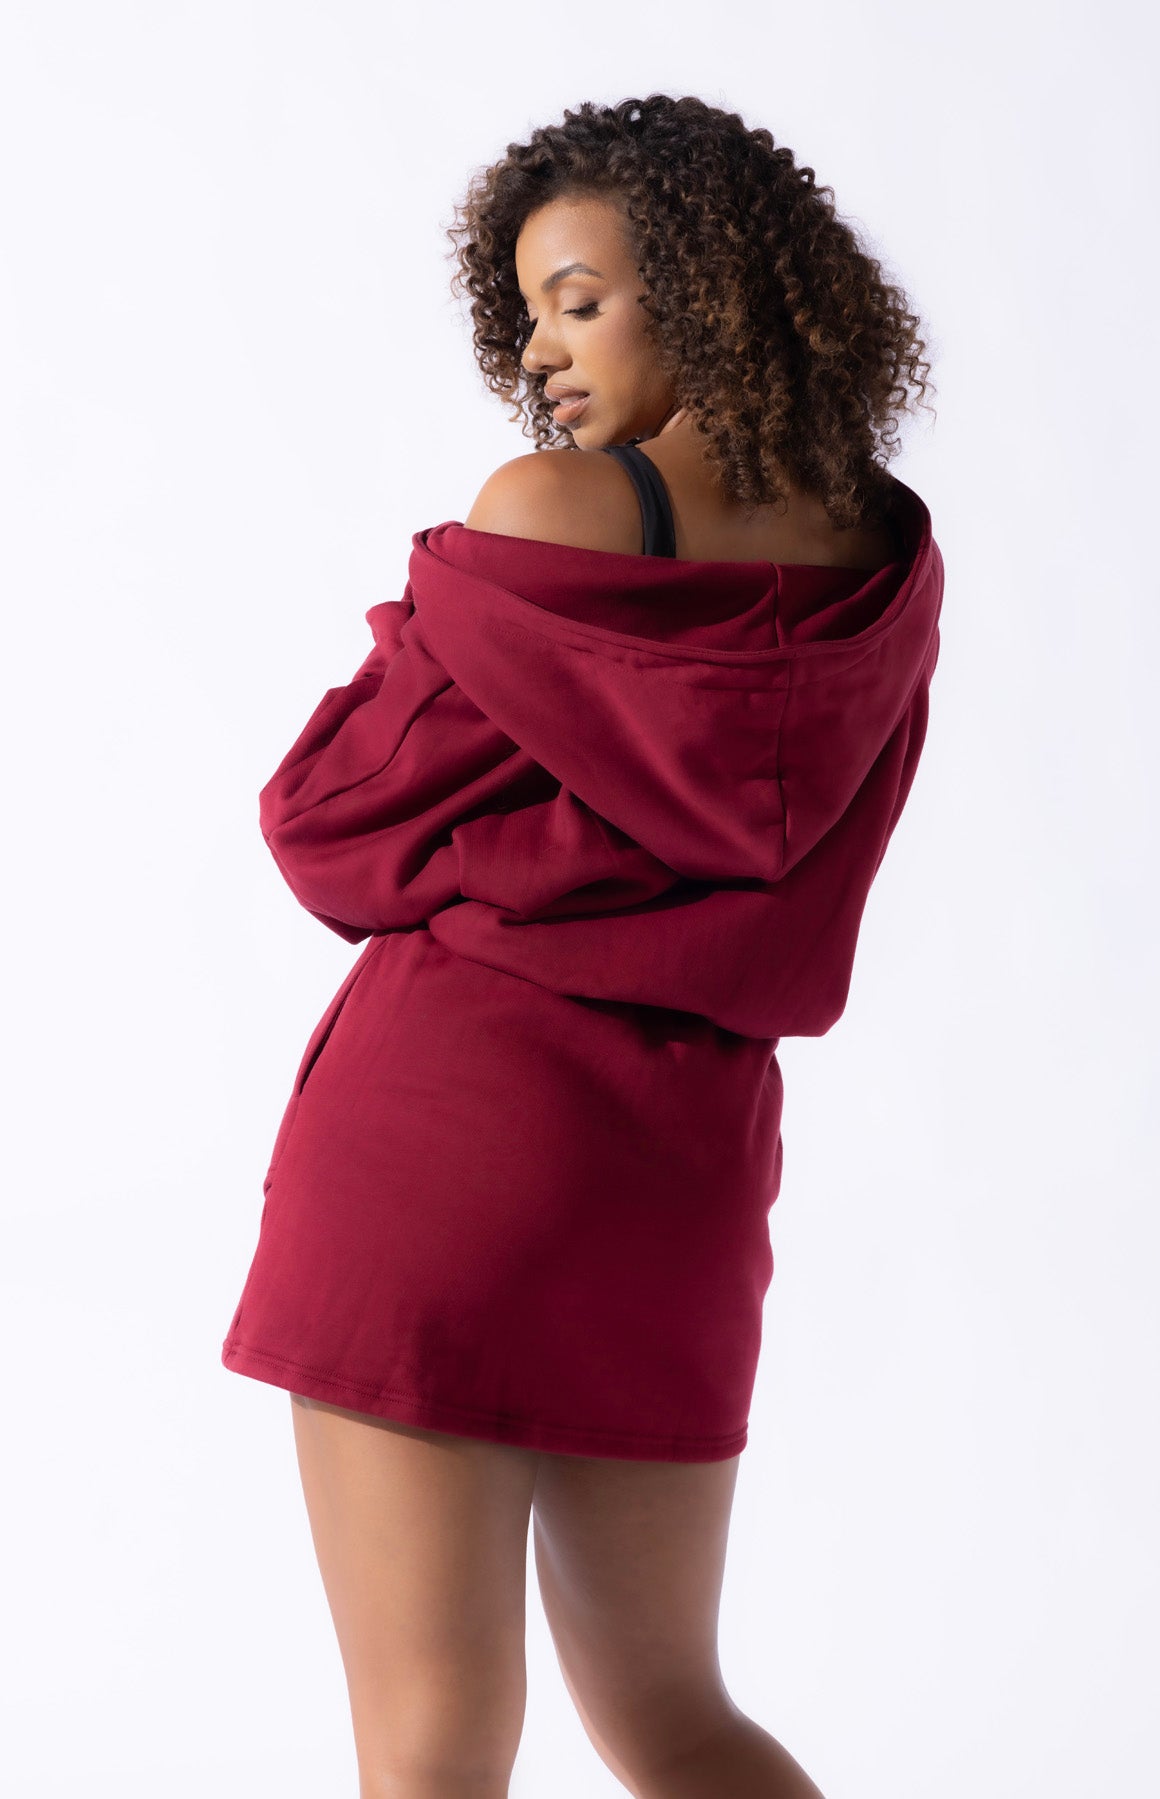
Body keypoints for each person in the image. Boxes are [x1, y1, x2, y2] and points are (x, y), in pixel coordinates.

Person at [221, 93, 942, 1798]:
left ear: (707, 291)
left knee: (431, 1744)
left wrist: (470, 806)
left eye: (580, 300)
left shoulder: (554, 511)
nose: (540, 349)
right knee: (679, 1717)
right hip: (683, 1171)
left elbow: (324, 817)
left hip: (447, 1141)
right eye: (531, 310)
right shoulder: (881, 556)